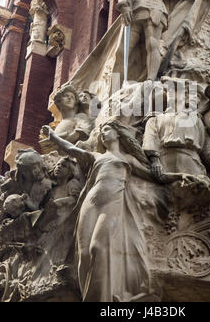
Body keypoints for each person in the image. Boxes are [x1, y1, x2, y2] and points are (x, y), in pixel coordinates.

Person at [42, 121, 154, 302]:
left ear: (118, 134)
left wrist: (177, 175)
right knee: (84, 253)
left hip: (113, 201)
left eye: (107, 129)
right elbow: (71, 148)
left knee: (98, 248)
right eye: (101, 131)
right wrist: (53, 136)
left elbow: (153, 175)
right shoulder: (96, 156)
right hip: (91, 202)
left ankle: (104, 299)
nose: (103, 133)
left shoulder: (128, 159)